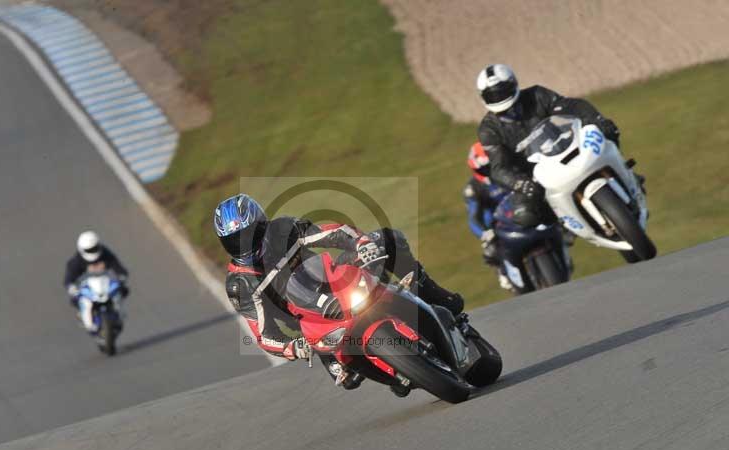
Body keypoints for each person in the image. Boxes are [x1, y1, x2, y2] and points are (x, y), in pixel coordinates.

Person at [215, 194, 464, 396]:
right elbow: (262, 334)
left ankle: (434, 296)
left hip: (334, 281)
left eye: (249, 234)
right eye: (235, 241)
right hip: (311, 322)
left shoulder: (283, 229)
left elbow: (333, 233)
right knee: (347, 378)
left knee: (388, 239)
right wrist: (292, 347)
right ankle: (396, 371)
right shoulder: (240, 284)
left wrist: (361, 243)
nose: (245, 245)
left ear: (262, 223)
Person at [475, 63, 629, 228]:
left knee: (608, 132)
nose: (499, 98)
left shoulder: (537, 95)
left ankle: (625, 173)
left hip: (566, 146)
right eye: (493, 96)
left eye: (502, 92)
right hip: (536, 174)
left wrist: (597, 120)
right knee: (526, 216)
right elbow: (499, 168)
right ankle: (564, 225)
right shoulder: (488, 129)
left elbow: (572, 106)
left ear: (513, 84)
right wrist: (519, 183)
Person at [463, 141, 512, 290]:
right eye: (485, 168)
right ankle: (503, 269)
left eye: (492, 165)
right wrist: (485, 233)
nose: (490, 171)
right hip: (498, 225)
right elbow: (474, 217)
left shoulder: (512, 170)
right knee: (491, 249)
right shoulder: (474, 188)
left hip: (524, 213)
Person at [63, 231, 129, 332]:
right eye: (89, 250)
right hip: (88, 287)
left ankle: (118, 314)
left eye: (94, 248)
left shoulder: (105, 253)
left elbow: (116, 265)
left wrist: (122, 275)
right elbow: (69, 277)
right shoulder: (77, 261)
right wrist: (71, 286)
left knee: (122, 291)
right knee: (76, 299)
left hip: (105, 283)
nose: (93, 251)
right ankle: (84, 316)